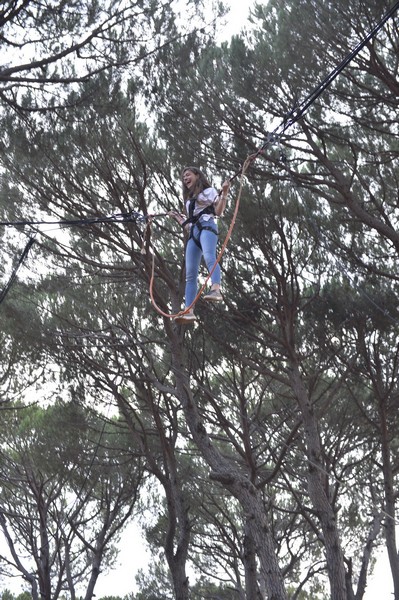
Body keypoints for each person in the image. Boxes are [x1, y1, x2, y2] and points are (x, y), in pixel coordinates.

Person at [168, 166, 230, 325]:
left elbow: (218, 212)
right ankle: (189, 310)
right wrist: (179, 218)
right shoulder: (189, 201)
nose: (185, 179)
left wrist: (224, 193)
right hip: (193, 233)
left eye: (187, 175)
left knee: (209, 257)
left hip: (207, 226)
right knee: (190, 274)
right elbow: (189, 225)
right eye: (183, 177)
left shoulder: (209, 192)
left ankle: (216, 288)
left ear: (197, 176)